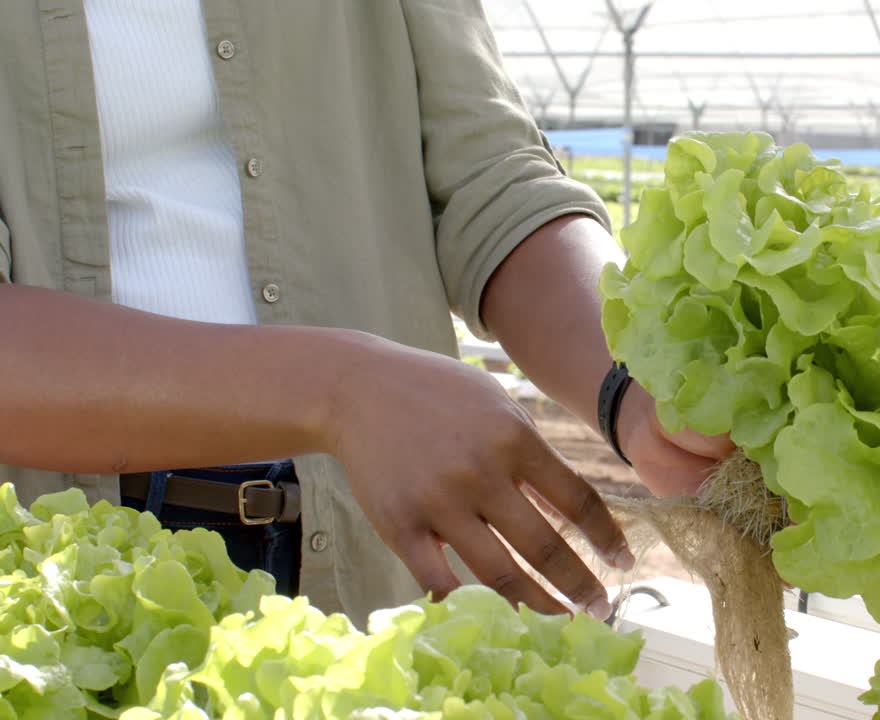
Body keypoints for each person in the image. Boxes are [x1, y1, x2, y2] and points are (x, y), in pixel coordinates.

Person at [0, 0, 733, 626]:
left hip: (374, 556)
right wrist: (338, 390)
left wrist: (638, 380)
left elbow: (491, 178)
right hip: (71, 577)